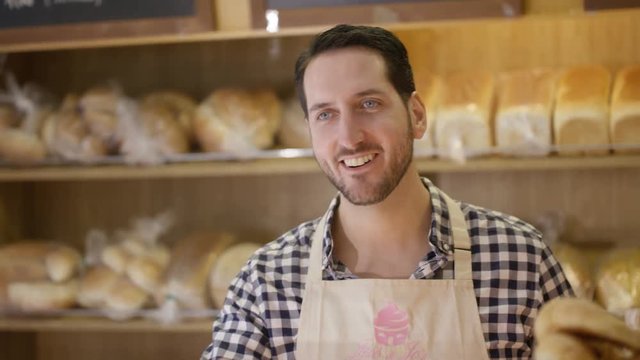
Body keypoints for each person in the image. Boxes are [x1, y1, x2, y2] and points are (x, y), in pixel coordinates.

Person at [201, 24, 573, 360]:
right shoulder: (267, 282)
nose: (349, 137)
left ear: (417, 115)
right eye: (326, 114)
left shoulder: (520, 258)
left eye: (369, 104)